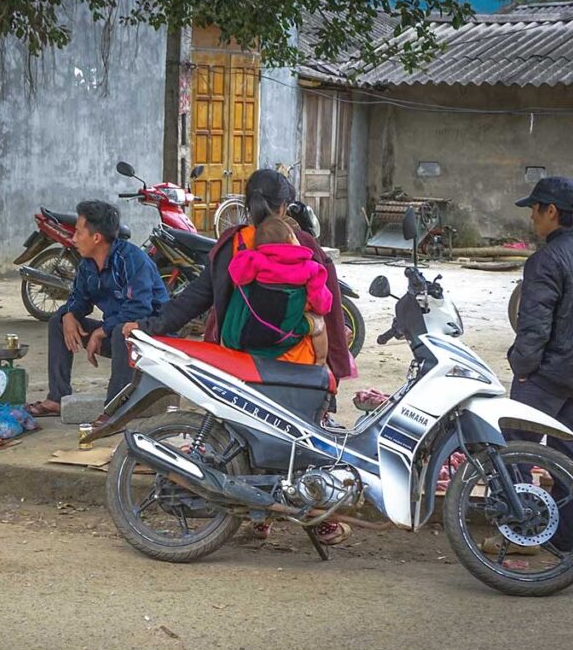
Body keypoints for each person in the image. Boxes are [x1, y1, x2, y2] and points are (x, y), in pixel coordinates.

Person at [122, 169, 351, 545]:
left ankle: (258, 516)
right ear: (283, 206)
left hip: (242, 362)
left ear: (247, 204)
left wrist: (152, 325)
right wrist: (333, 364)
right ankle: (319, 520)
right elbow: (330, 310)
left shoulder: (231, 245)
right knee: (302, 440)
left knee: (242, 436)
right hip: (296, 364)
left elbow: (197, 297)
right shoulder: (305, 245)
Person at [496, 176, 573, 554]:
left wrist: (523, 367)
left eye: (535, 208)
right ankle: (570, 538)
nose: (531, 216)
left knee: (515, 452)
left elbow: (534, 328)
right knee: (566, 458)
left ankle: (523, 533)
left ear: (551, 211)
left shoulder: (546, 260)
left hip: (544, 378)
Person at [26, 200, 169, 424]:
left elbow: (139, 309)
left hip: (152, 341)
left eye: (79, 233)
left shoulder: (132, 260)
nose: (74, 238)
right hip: (115, 335)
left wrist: (102, 331)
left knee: (124, 330)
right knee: (58, 321)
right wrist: (69, 315)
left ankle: (115, 408)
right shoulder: (87, 265)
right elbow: (78, 299)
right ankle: (57, 397)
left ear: (96, 238)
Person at [223, 212, 331, 366]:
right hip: (286, 333)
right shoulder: (311, 268)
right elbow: (322, 304)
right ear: (290, 239)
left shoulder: (256, 260)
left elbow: (237, 276)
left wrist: (249, 253)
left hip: (253, 330)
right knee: (319, 324)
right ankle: (321, 363)